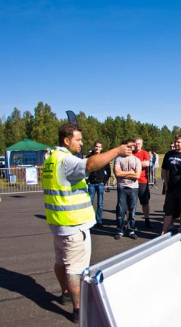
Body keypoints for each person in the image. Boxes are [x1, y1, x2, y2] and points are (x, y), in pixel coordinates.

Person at [42, 123, 130, 323]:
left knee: (61, 262)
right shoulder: (66, 160)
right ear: (66, 140)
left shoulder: (51, 159)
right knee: (75, 269)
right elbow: (90, 165)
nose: (82, 143)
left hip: (58, 223)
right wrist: (116, 150)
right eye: (78, 139)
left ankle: (65, 293)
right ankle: (78, 309)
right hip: (74, 225)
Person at [113, 139, 142, 240]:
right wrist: (131, 173)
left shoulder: (136, 160)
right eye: (128, 146)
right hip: (122, 187)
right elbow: (117, 173)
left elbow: (137, 175)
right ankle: (119, 230)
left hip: (133, 188)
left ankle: (131, 230)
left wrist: (124, 173)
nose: (130, 149)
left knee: (132, 210)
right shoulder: (118, 159)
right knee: (121, 211)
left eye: (132, 147)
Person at [86, 141, 111, 228]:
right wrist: (87, 181)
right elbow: (84, 169)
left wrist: (103, 182)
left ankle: (99, 220)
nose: (97, 148)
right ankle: (90, 220)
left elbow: (108, 171)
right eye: (96, 146)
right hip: (91, 184)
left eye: (99, 147)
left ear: (101, 148)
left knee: (100, 203)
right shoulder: (89, 157)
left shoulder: (104, 158)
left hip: (100, 184)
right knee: (89, 203)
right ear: (94, 147)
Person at [133, 138, 154, 229]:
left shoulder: (144, 153)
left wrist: (134, 163)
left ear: (141, 144)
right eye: (135, 143)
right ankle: (130, 221)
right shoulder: (131, 152)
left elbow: (147, 163)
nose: (137, 145)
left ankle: (147, 219)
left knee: (145, 202)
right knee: (131, 203)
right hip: (132, 181)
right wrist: (140, 163)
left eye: (138, 143)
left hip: (142, 181)